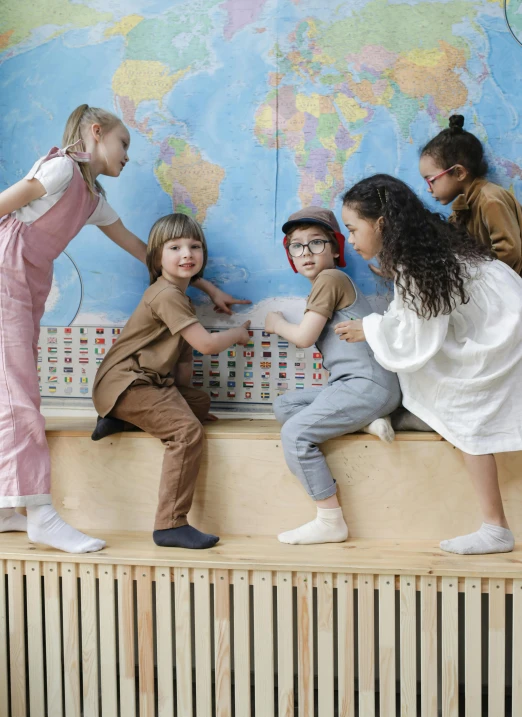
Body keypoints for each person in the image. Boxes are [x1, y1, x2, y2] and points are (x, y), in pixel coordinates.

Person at [0, 104, 248, 554]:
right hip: (5, 272)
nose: (127, 155)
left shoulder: (93, 200)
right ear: (96, 134)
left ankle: (5, 509)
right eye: (123, 144)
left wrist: (207, 286)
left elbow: (144, 251)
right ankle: (40, 513)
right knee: (18, 399)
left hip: (28, 281)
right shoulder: (60, 169)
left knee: (15, 391)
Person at [336, 174, 522, 555]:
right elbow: (416, 319)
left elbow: (416, 339)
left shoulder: (416, 264)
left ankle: (495, 527)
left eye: (353, 229)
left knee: (464, 409)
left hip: (500, 336)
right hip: (505, 324)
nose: (350, 240)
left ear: (382, 224)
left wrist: (369, 328)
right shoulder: (429, 250)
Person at [92, 213, 251, 549]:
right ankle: (170, 525)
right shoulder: (166, 295)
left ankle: (118, 418)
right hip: (128, 383)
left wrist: (187, 402)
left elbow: (181, 366)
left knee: (200, 404)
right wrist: (237, 334)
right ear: (156, 256)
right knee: (186, 431)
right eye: (175, 247)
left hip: (146, 385)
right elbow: (206, 345)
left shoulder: (180, 297)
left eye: (195, 246)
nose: (187, 253)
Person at [265, 207, 401, 545]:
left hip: (365, 385)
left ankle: (330, 520)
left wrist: (275, 323)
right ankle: (369, 421)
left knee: (295, 434)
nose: (306, 252)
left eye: (316, 243)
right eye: (297, 246)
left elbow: (303, 337)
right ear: (290, 256)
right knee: (285, 406)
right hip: (355, 387)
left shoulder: (331, 279)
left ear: (336, 248)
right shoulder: (327, 284)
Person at [419, 114, 522, 274]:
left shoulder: (490, 200)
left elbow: (510, 253)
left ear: (459, 172)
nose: (429, 188)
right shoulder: (463, 206)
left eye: (431, 180)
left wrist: (478, 282)